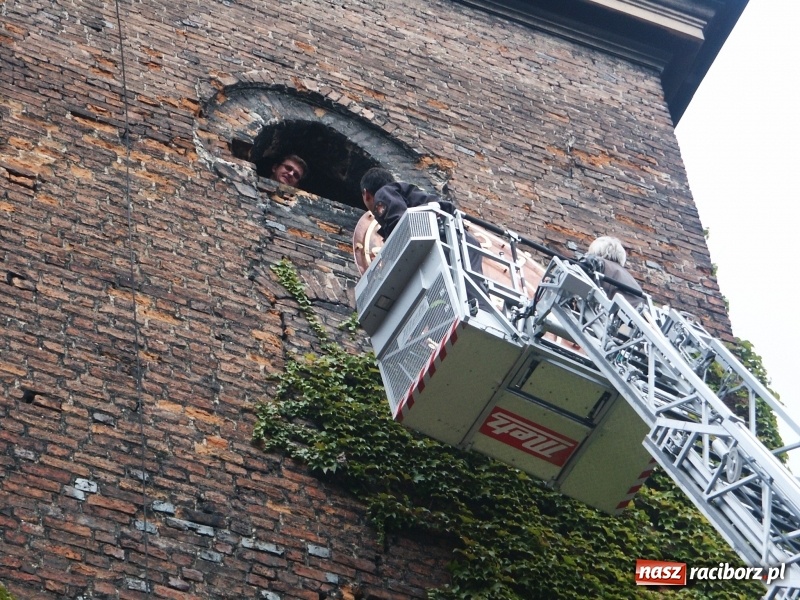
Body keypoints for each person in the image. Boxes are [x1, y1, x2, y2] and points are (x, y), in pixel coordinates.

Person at [360, 167, 487, 311]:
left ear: (366, 194)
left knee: (444, 289)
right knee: (470, 286)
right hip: (464, 240)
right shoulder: (406, 192)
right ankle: (482, 311)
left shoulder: (383, 193)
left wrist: (387, 262)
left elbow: (401, 224)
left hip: (443, 239)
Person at [582, 236, 644, 308]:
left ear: (597, 251)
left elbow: (578, 269)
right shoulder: (632, 280)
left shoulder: (597, 262)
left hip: (607, 313)